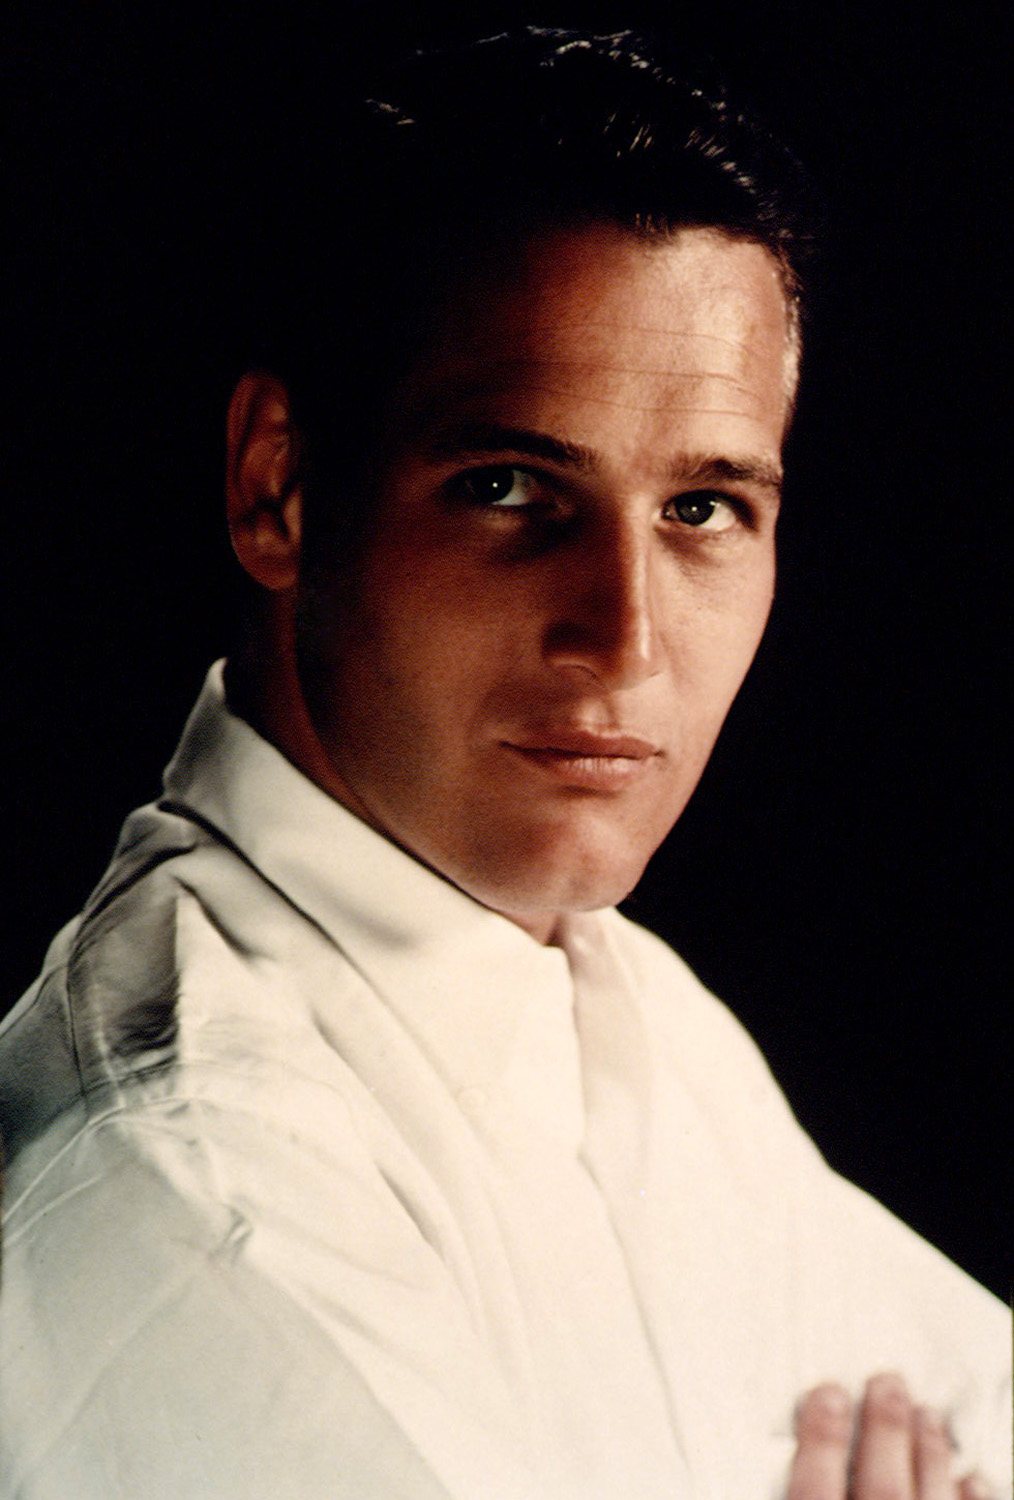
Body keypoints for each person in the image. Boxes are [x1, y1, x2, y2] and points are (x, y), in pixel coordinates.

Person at [0, 27, 1008, 1500]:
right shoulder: (190, 1188)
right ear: (280, 487)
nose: (625, 638)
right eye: (509, 487)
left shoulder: (637, 1018)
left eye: (703, 509)